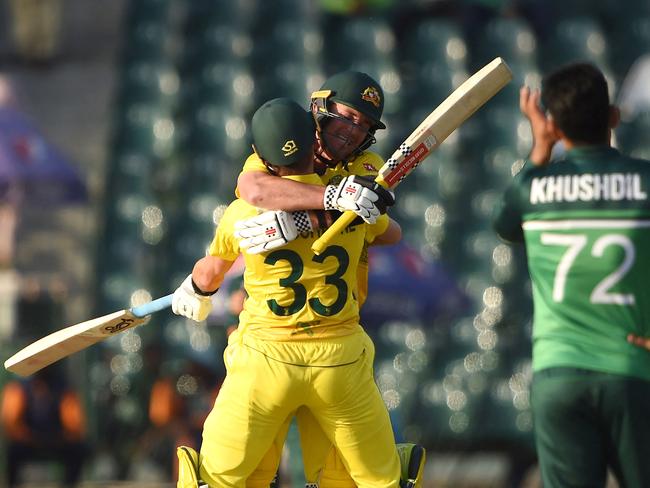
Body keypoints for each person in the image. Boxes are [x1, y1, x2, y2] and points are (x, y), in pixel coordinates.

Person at [173, 97, 403, 487]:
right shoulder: (353, 203)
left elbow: (209, 274)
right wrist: (350, 212)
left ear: (262, 158)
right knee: (378, 479)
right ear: (314, 142)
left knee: (218, 478)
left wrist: (194, 290)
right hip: (339, 360)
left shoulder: (240, 214)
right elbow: (392, 234)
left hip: (266, 361)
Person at [233, 72, 425, 487]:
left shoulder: (366, 166)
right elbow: (252, 188)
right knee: (249, 473)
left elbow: (391, 233)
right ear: (320, 109)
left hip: (336, 336)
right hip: (275, 340)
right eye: (347, 118)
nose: (352, 132)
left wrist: (365, 212)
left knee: (343, 476)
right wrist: (326, 203)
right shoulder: (283, 146)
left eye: (363, 126)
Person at [492, 62, 650, 487]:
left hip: (557, 374)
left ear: (556, 126)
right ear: (613, 116)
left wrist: (540, 148)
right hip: (633, 370)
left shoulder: (532, 188)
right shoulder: (645, 182)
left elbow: (505, 225)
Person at [1, 366, 87, 487]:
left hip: (58, 440)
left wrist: (61, 437)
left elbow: (74, 424)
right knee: (13, 452)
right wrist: (28, 437)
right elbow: (11, 422)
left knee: (78, 449)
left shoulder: (63, 386)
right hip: (27, 441)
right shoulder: (20, 387)